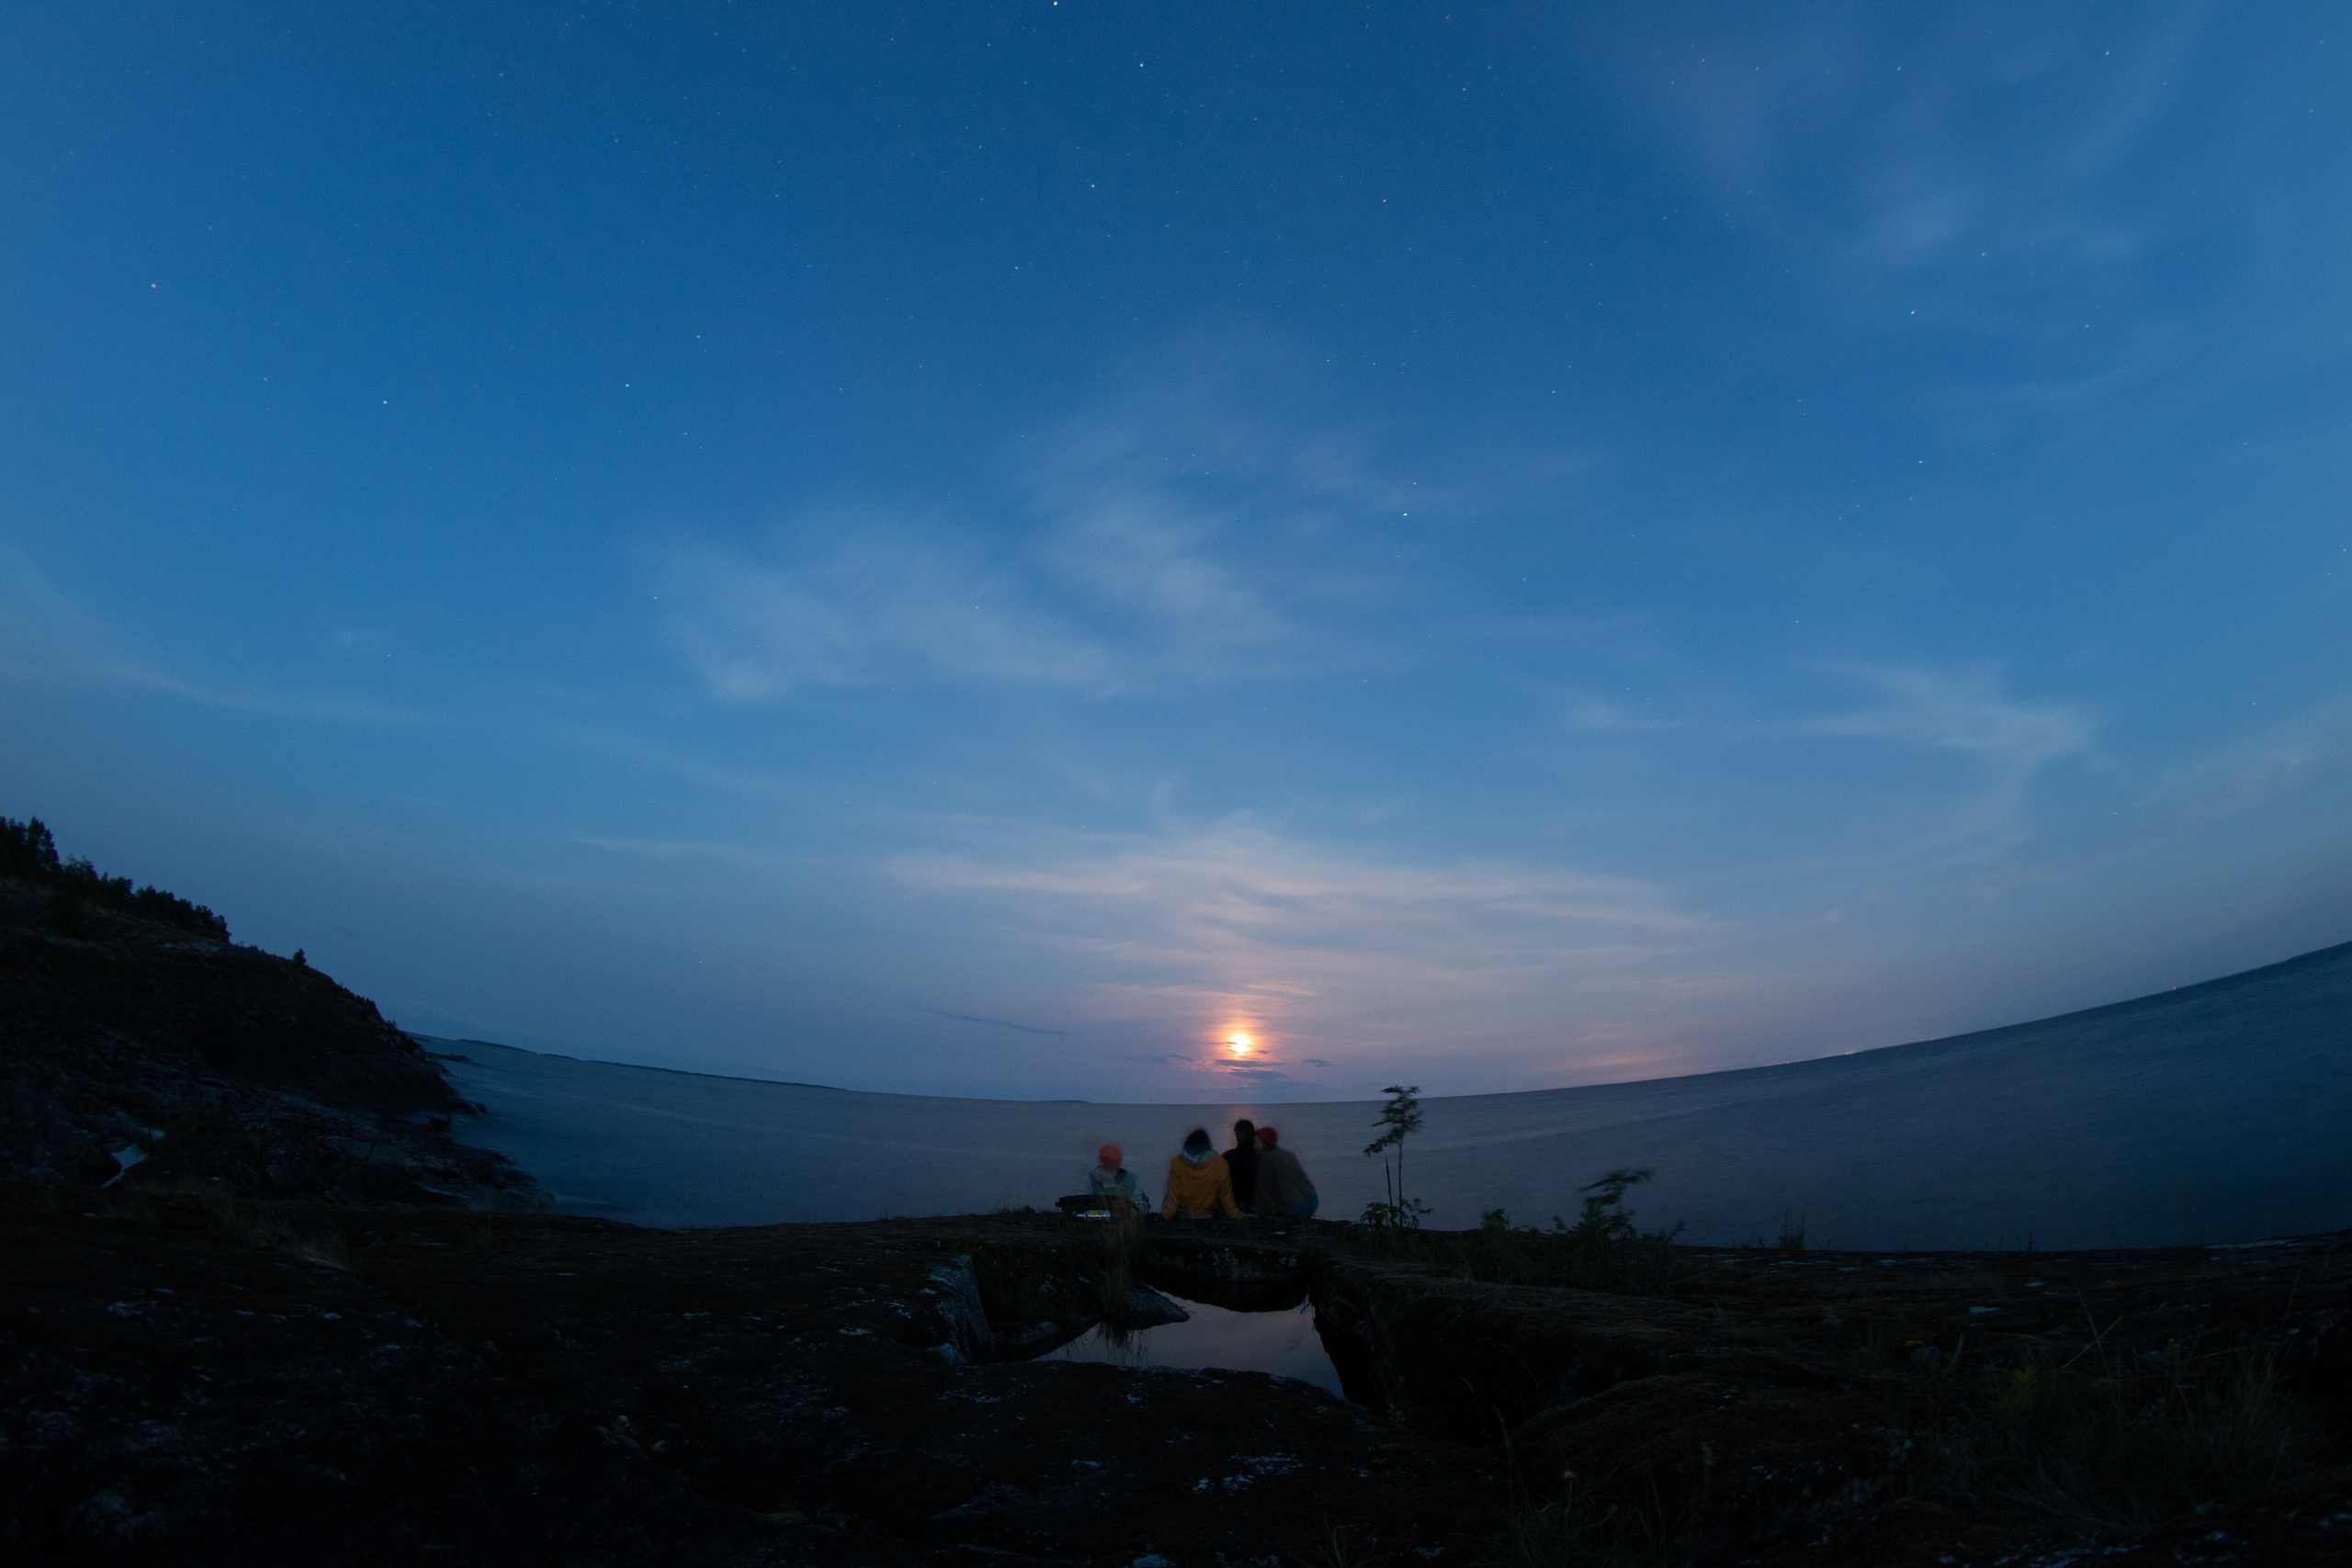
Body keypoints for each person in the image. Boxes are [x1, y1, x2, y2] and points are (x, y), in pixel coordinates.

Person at [1160, 1126, 1244, 1219]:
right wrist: (1238, 1216)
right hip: (1204, 1215)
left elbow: (1172, 1196)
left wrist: (1164, 1215)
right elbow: (1226, 1198)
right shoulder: (1220, 1165)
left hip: (1184, 1216)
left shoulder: (1178, 1163)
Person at [1250, 1125, 1319, 1220]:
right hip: (1312, 1198)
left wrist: (1257, 1212)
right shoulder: (1287, 1154)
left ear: (1264, 1143)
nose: (1254, 1146)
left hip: (1297, 1206)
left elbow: (1263, 1189)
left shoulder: (1266, 1159)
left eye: (1256, 1142)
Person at [1085, 1143, 1148, 1211]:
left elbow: (1137, 1208)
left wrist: (1120, 1215)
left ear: (1119, 1160)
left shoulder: (1130, 1181)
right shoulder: (1089, 1180)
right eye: (1106, 1158)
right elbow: (1080, 1204)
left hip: (1124, 1219)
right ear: (1101, 1159)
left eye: (1113, 1158)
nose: (1110, 1161)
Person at [1224, 1118, 1261, 1212]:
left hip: (1236, 1205)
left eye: (1236, 1134)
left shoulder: (1228, 1157)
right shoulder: (1264, 1157)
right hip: (1260, 1205)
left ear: (1238, 1134)